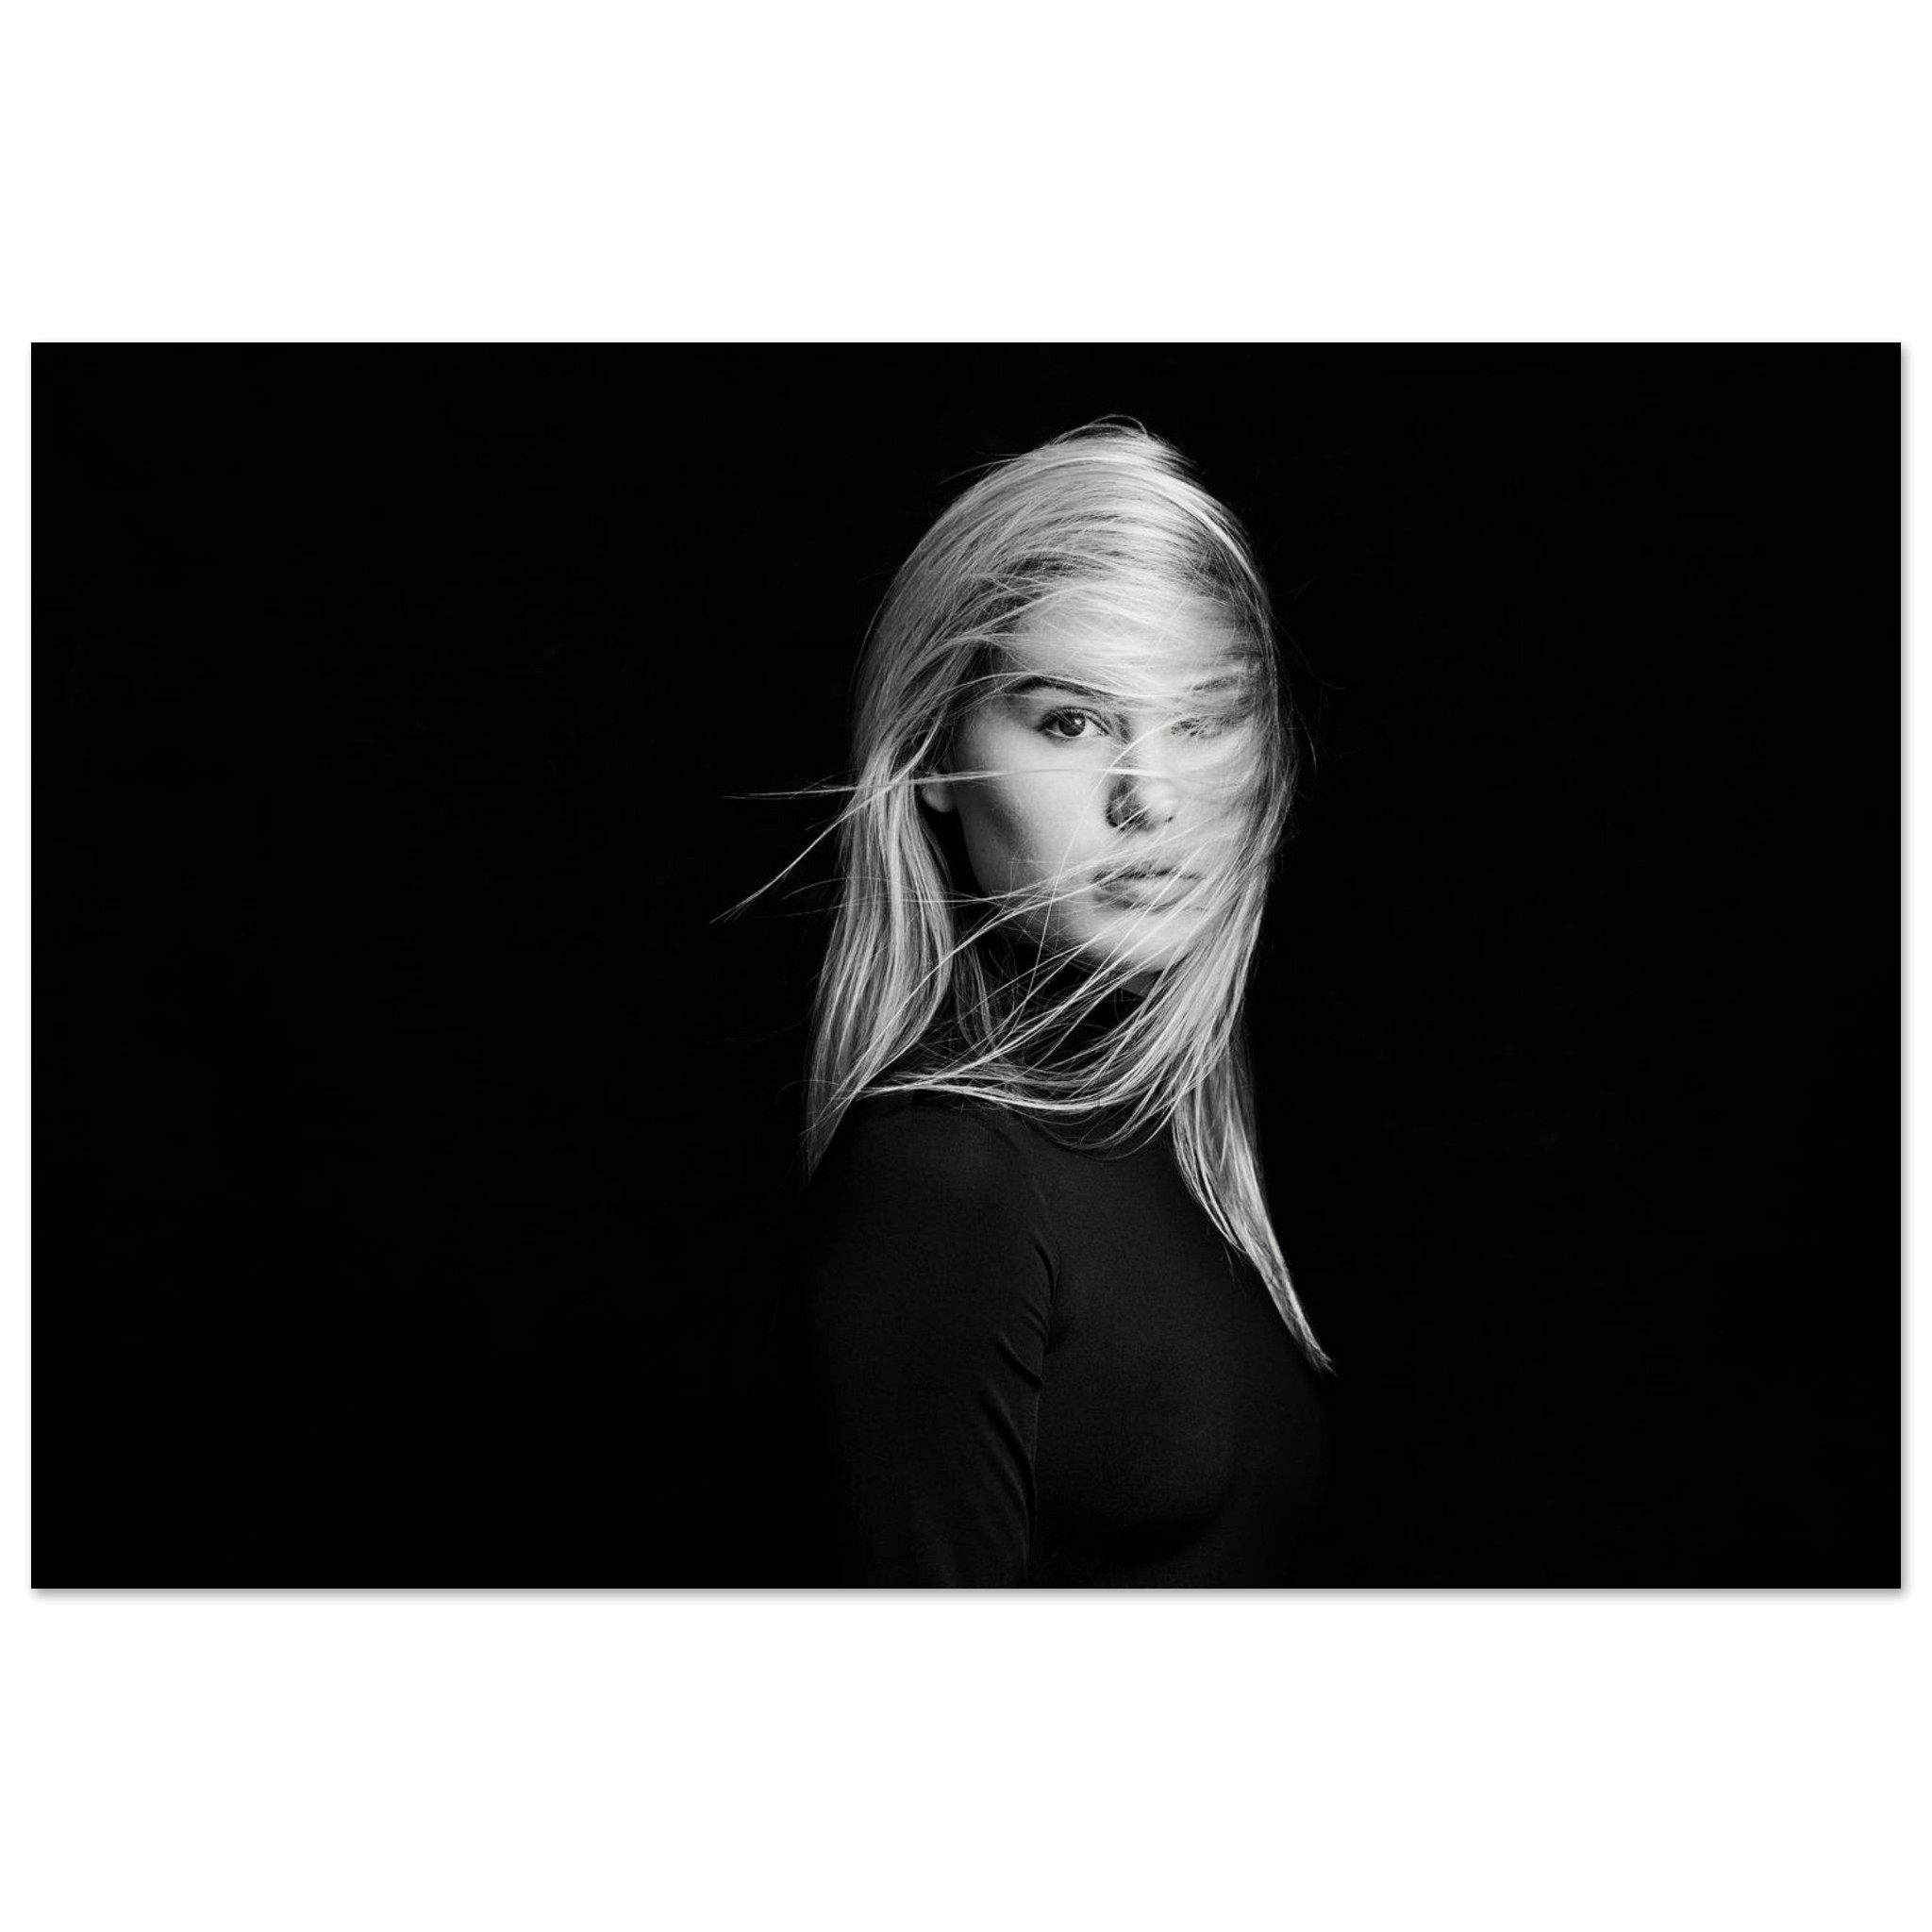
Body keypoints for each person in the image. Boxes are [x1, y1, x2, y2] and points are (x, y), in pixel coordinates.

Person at [772, 422, 1330, 1586]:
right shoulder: (945, 1173)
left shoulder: (1177, 1140)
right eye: (1071, 720)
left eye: (1202, 717)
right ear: (932, 750)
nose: (1150, 795)